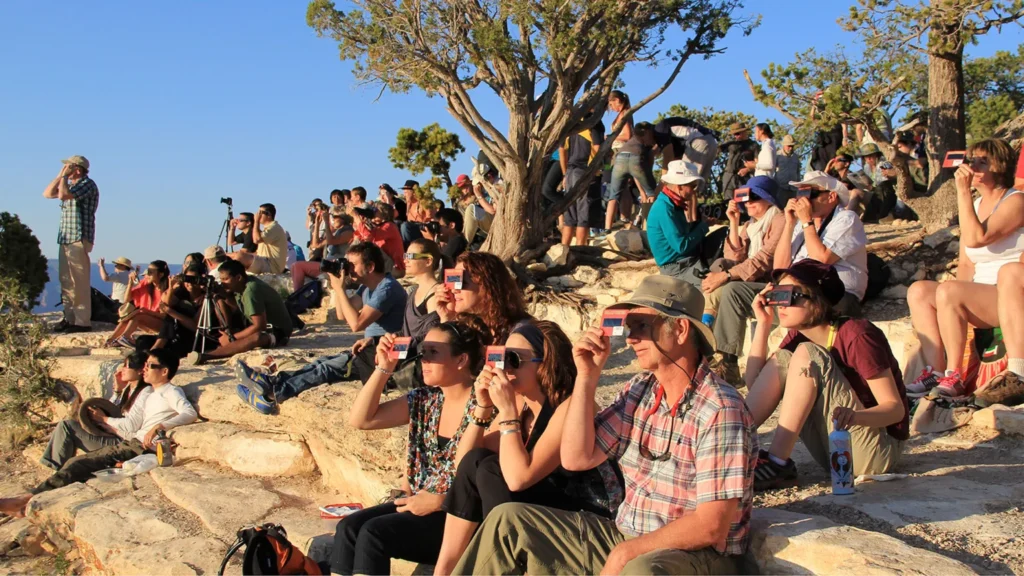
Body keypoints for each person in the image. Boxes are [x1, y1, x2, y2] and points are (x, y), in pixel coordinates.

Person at [452, 275, 758, 575]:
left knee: (641, 570)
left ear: (679, 329)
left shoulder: (720, 409)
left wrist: (627, 552)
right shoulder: (640, 390)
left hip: (695, 554)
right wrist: (587, 376)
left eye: (642, 326)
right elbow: (577, 458)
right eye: (629, 327)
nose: (630, 338)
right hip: (627, 536)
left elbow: (710, 526)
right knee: (509, 521)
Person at [432, 320, 623, 575]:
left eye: (513, 359)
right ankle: (444, 571)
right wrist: (483, 407)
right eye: (500, 358)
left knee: (492, 469)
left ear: (544, 364)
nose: (504, 368)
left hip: (585, 518)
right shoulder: (522, 405)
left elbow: (519, 479)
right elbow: (464, 466)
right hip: (540, 508)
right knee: (480, 461)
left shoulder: (571, 406)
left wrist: (507, 411)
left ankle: (505, 562)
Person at [330, 318, 491, 575]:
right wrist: (384, 368)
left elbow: (472, 474)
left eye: (433, 353)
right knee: (348, 528)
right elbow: (361, 419)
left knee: (374, 534)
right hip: (418, 504)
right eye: (422, 353)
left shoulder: (484, 404)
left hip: (456, 517)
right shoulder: (426, 400)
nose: (423, 361)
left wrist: (440, 501)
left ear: (461, 360)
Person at [743, 260, 908, 489]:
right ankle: (727, 446)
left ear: (816, 299)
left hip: (876, 450)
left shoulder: (857, 335)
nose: (780, 305)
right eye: (777, 294)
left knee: (806, 354)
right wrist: (763, 323)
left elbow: (895, 409)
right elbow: (755, 384)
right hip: (835, 448)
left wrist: (854, 417)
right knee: (782, 358)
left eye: (789, 295)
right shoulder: (797, 337)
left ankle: (777, 463)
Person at [237, 241, 434, 413]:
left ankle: (273, 393)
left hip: (377, 354)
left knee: (326, 369)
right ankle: (272, 381)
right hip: (371, 348)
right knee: (321, 362)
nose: (348, 269)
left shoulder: (387, 288)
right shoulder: (368, 287)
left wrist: (340, 289)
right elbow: (342, 315)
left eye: (352, 265)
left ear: (371, 266)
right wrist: (336, 286)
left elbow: (356, 324)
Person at [0, 349, 197, 518]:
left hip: (138, 447)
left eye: (150, 366)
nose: (145, 369)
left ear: (164, 371)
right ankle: (32, 500)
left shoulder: (170, 391)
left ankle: (26, 500)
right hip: (131, 442)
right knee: (78, 464)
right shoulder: (153, 393)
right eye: (145, 365)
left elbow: (189, 413)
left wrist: (159, 427)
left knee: (79, 463)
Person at [712, 170, 867, 384]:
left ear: (831, 196)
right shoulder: (800, 226)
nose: (802, 199)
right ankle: (728, 364)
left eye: (809, 193)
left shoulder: (847, 219)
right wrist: (791, 224)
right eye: (800, 192)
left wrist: (806, 223)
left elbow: (821, 261)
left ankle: (786, 372)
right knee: (733, 292)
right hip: (794, 292)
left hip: (832, 295)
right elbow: (780, 267)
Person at [906, 138, 1024, 399]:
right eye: (973, 160)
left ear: (1001, 166)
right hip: (981, 294)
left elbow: (977, 238)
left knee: (949, 291)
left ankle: (954, 375)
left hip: (1010, 294)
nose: (974, 166)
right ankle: (935, 372)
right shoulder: (976, 205)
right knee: (919, 291)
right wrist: (957, 292)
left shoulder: (1016, 201)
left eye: (984, 161)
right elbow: (968, 261)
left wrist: (961, 192)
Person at [40, 351, 153, 470]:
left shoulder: (145, 392)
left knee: (67, 427)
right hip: (113, 435)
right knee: (68, 425)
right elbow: (112, 410)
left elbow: (131, 425)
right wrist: (117, 391)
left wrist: (104, 419)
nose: (122, 369)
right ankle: (59, 468)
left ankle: (57, 470)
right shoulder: (129, 389)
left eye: (126, 366)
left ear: (140, 370)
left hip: (123, 443)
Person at [700, 176, 786, 327]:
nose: (748, 202)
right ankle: (706, 324)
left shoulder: (780, 219)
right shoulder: (750, 224)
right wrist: (734, 222)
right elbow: (734, 257)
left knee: (728, 289)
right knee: (721, 263)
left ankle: (707, 324)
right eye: (745, 197)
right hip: (751, 276)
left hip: (768, 279)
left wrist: (725, 276)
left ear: (769, 199)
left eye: (754, 196)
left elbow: (764, 260)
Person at [186, 259, 293, 366]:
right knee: (220, 300)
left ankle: (208, 356)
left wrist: (232, 338)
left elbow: (260, 326)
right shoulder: (241, 285)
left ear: (238, 278)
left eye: (226, 279)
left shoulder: (250, 290)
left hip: (277, 331)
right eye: (221, 279)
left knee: (257, 337)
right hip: (258, 325)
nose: (223, 283)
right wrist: (220, 293)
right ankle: (226, 342)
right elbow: (238, 306)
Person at [44, 155, 99, 333]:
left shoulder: (86, 184)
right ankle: (69, 317)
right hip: (66, 237)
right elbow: (47, 193)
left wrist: (64, 178)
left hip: (79, 236)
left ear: (78, 169)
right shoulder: (70, 183)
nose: (65, 168)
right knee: (66, 280)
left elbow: (63, 195)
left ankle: (82, 322)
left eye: (68, 166)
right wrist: (61, 176)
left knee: (79, 281)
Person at [435, 251, 533, 344]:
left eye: (461, 283)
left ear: (487, 286)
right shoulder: (469, 328)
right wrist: (447, 318)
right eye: (452, 283)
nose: (454, 290)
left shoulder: (523, 331)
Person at [647, 160, 709, 286]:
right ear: (680, 186)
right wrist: (703, 227)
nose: (693, 191)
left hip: (684, 263)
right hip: (678, 269)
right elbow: (681, 246)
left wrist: (698, 223)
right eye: (692, 186)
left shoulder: (671, 205)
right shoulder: (665, 208)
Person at [560, 119, 605, 247]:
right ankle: (581, 248)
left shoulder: (572, 124)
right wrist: (597, 168)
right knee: (583, 215)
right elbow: (597, 148)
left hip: (570, 171)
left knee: (569, 215)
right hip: (586, 171)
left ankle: (564, 249)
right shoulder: (594, 123)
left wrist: (564, 173)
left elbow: (562, 149)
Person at [105, 261, 171, 348]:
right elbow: (127, 299)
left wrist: (146, 312)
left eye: (151, 272)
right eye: (148, 271)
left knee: (137, 315)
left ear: (161, 274)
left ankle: (125, 337)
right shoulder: (146, 285)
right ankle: (111, 340)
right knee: (128, 318)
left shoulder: (167, 290)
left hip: (162, 324)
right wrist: (130, 283)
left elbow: (165, 316)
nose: (147, 274)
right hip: (147, 320)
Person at [606, 121, 657, 231]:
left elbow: (634, 173)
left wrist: (641, 192)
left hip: (619, 159)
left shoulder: (629, 143)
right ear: (647, 133)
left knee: (613, 195)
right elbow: (639, 171)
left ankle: (607, 228)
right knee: (652, 192)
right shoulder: (645, 147)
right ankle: (649, 226)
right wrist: (644, 192)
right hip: (636, 158)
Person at [291, 207, 354, 292]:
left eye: (334, 217)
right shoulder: (336, 232)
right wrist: (317, 223)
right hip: (328, 264)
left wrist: (327, 222)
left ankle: (297, 295)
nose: (333, 219)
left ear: (343, 218)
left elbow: (331, 241)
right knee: (294, 267)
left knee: (298, 266)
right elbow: (315, 245)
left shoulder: (349, 231)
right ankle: (297, 295)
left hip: (337, 267)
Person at [651, 117, 719, 182]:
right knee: (697, 186)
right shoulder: (674, 141)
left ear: (646, 132)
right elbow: (676, 161)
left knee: (684, 179)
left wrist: (663, 182)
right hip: (712, 142)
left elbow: (667, 157)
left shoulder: (659, 130)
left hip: (699, 142)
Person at [227, 203, 288, 274]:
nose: (257, 215)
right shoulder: (268, 229)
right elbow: (231, 243)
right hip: (265, 261)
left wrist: (256, 221)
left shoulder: (274, 228)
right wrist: (232, 228)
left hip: (271, 266)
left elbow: (256, 240)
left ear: (268, 215)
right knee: (236, 257)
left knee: (240, 256)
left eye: (260, 213)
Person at [354, 202, 406, 277]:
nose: (373, 213)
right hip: (386, 266)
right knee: (359, 244)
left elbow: (368, 237)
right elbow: (358, 238)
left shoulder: (390, 226)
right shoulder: (377, 228)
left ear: (385, 214)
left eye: (375, 210)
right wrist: (361, 222)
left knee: (369, 247)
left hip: (395, 268)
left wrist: (357, 219)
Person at [720, 123, 759, 199]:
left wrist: (747, 169)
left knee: (743, 200)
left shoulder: (753, 145)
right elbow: (717, 149)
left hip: (743, 178)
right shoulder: (732, 144)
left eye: (738, 133)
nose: (736, 136)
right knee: (728, 201)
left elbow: (758, 163)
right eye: (734, 134)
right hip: (729, 175)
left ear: (744, 132)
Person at [774, 134, 801, 206]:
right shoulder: (777, 155)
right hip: (781, 188)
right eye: (789, 146)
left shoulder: (795, 157)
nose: (791, 148)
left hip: (793, 189)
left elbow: (798, 172)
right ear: (784, 145)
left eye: (792, 146)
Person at [401, 180, 429, 245]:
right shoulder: (409, 204)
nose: (404, 195)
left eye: (406, 192)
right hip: (413, 230)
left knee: (405, 226)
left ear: (413, 192)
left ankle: (408, 248)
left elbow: (430, 217)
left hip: (422, 229)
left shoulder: (424, 202)